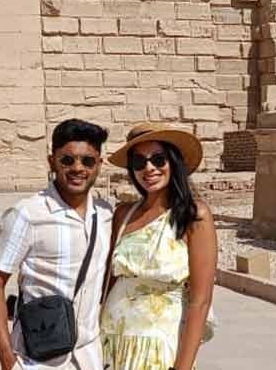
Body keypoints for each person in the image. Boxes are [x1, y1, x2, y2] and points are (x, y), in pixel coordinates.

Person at [0, 119, 113, 370]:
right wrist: (7, 360)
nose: (78, 168)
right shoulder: (27, 214)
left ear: (99, 164)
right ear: (51, 160)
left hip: (90, 357)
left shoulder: (106, 214)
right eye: (68, 160)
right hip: (38, 359)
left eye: (87, 161)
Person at [101, 123, 218, 370]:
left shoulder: (194, 216)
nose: (149, 168)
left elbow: (200, 301)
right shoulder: (123, 214)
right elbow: (108, 281)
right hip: (111, 340)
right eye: (139, 162)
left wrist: (183, 367)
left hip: (160, 346)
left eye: (158, 159)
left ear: (173, 162)